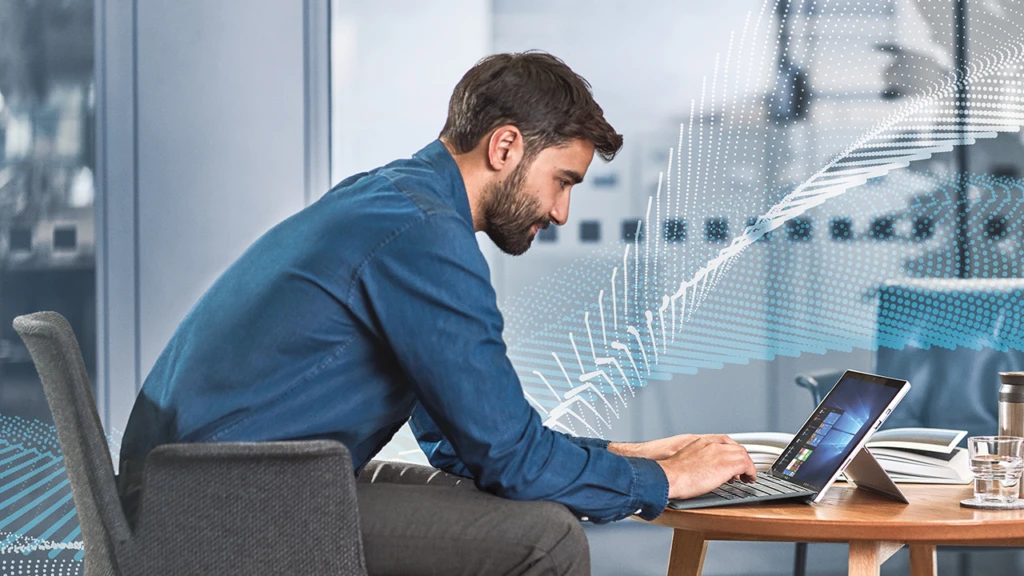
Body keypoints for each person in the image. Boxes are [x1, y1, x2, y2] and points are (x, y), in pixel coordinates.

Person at [119, 51, 756, 576]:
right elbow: (510, 457)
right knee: (546, 542)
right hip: (221, 507)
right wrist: (661, 480)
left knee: (507, 508)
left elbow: (466, 440)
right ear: (506, 146)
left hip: (209, 489)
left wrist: (630, 453)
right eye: (562, 180)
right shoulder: (423, 233)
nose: (561, 212)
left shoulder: (395, 202)